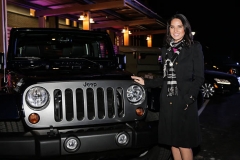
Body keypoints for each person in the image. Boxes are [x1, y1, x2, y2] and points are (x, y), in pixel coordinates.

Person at [131, 14, 204, 160]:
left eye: (179, 26)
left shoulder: (194, 47)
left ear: (185, 29)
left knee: (184, 144)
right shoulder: (166, 50)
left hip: (184, 102)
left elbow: (199, 77)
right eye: (172, 27)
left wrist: (189, 99)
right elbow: (165, 78)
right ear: (168, 29)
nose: (175, 30)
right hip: (168, 102)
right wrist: (146, 82)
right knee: (173, 143)